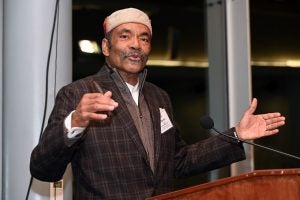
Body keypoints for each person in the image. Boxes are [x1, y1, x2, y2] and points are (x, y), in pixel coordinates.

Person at [30, 7, 285, 200]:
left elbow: (179, 161)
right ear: (106, 47)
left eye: (144, 38)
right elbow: (43, 169)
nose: (135, 45)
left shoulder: (159, 97)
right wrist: (74, 122)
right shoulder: (78, 93)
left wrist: (236, 135)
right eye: (125, 36)